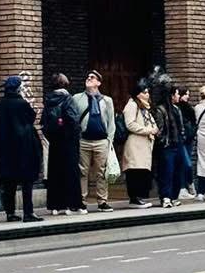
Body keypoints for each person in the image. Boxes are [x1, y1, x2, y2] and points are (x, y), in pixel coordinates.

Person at [0, 74, 42, 221]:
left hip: (6, 149)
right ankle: (28, 212)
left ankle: (10, 212)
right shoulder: (22, 103)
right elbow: (31, 117)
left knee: (9, 183)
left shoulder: (1, 105)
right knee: (27, 181)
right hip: (24, 147)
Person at [72, 70, 117, 211]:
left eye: (92, 77)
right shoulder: (77, 98)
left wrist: (109, 141)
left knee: (101, 172)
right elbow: (73, 118)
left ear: (98, 82)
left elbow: (111, 123)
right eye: (88, 77)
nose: (89, 78)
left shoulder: (107, 100)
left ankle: (102, 201)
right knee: (82, 172)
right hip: (83, 140)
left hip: (101, 141)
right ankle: (81, 201)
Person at [42, 73, 84, 215]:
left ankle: (55, 205)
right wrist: (75, 135)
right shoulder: (68, 98)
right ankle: (72, 204)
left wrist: (52, 137)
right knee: (71, 172)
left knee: (55, 172)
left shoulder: (48, 99)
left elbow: (44, 123)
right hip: (68, 141)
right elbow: (74, 120)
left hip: (55, 141)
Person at [121, 81, 158, 207]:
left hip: (144, 144)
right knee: (134, 171)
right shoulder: (132, 105)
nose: (147, 94)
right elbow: (130, 124)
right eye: (144, 92)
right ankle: (134, 199)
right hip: (135, 144)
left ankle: (139, 198)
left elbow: (151, 122)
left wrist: (154, 129)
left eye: (148, 92)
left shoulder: (144, 107)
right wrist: (148, 130)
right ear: (138, 94)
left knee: (142, 171)